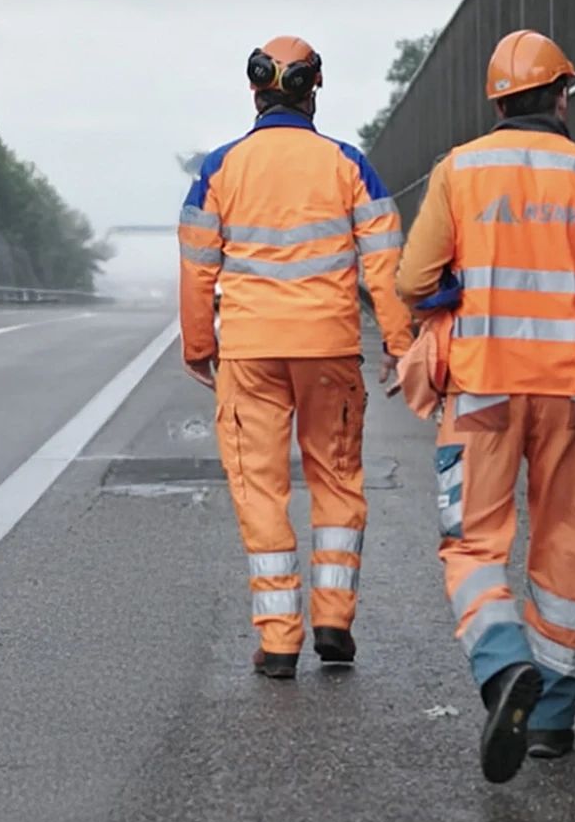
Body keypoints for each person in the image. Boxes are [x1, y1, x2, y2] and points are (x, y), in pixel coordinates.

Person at [395, 29, 575, 782]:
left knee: (473, 546)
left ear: (496, 100)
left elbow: (412, 281)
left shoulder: (459, 169)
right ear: (561, 95)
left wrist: (451, 291)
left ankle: (503, 663)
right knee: (560, 543)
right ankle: (550, 718)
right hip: (573, 394)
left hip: (481, 388)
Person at [177, 35, 414, 679]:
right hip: (330, 347)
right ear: (315, 89)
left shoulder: (221, 168)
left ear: (255, 90)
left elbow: (198, 264)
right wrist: (400, 344)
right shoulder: (349, 164)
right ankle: (334, 618)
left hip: (250, 352)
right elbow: (387, 262)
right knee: (336, 478)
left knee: (260, 487)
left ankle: (279, 639)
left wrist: (200, 344)